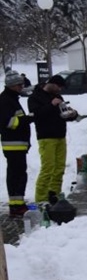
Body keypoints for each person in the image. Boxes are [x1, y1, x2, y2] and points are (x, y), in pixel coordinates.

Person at [27, 74, 78, 204]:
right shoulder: (34, 97)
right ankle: (41, 200)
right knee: (48, 168)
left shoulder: (58, 97)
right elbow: (36, 115)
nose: (60, 90)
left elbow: (63, 113)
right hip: (46, 137)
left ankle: (54, 194)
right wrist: (51, 105)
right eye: (58, 87)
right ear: (52, 84)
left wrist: (72, 114)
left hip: (60, 136)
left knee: (59, 168)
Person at [1, 71, 31, 217]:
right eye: (19, 84)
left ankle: (17, 204)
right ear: (12, 85)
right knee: (17, 175)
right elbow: (8, 122)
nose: (21, 87)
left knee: (18, 175)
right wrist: (27, 119)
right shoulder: (5, 100)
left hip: (18, 144)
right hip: (13, 145)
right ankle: (16, 206)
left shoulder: (11, 98)